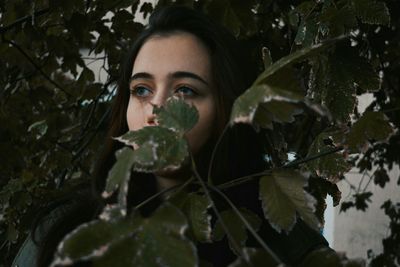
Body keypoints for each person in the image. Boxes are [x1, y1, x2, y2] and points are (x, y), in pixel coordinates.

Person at [12, 5, 331, 267]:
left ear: (228, 109)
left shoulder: (283, 240)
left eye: (185, 90)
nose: (156, 109)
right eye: (141, 90)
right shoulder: (62, 229)